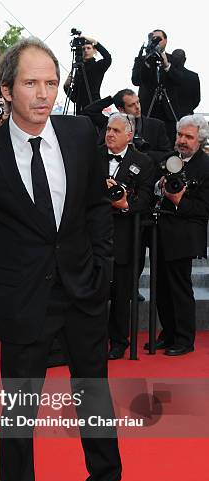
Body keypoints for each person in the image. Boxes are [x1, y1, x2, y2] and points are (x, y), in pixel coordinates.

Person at [0, 38, 151, 481]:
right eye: (30, 83)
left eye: (50, 82)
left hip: (84, 290)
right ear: (6, 89)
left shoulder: (80, 133)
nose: (44, 95)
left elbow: (94, 206)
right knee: (19, 415)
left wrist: (101, 270)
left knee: (95, 396)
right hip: (25, 301)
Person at [152, 114, 209, 356]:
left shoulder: (206, 166)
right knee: (161, 288)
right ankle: (168, 334)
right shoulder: (169, 159)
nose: (182, 141)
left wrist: (179, 201)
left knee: (179, 288)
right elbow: (154, 190)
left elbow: (204, 209)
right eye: (180, 135)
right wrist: (159, 186)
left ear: (200, 140)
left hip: (185, 235)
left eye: (188, 137)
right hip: (160, 233)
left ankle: (184, 340)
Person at [99, 113, 154, 359]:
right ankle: (91, 340)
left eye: (116, 130)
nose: (109, 134)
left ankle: (119, 341)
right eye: (108, 129)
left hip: (127, 238)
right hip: (95, 236)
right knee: (93, 292)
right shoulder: (94, 156)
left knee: (122, 295)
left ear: (129, 136)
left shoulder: (143, 161)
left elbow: (145, 198)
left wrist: (124, 204)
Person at [83, 88, 172, 164]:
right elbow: (90, 111)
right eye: (131, 105)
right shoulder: (111, 124)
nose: (137, 107)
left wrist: (141, 154)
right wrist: (112, 99)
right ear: (121, 109)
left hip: (145, 174)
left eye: (138, 102)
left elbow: (167, 154)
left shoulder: (156, 125)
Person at [132, 29, 182, 144]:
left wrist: (167, 65)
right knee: (146, 142)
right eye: (153, 39)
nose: (156, 42)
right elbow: (136, 81)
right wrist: (147, 64)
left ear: (166, 41)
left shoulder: (173, 60)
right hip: (148, 108)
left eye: (159, 39)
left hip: (168, 111)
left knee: (168, 143)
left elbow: (179, 80)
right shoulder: (142, 59)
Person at [63, 35, 111, 114]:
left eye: (88, 48)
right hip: (80, 110)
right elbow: (74, 98)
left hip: (94, 107)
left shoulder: (98, 66)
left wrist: (95, 42)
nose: (86, 50)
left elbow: (108, 58)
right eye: (83, 49)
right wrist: (66, 87)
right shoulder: (78, 70)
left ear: (94, 51)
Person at [171, 49, 201, 117]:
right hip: (187, 115)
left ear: (171, 59)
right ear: (185, 59)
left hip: (169, 116)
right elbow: (197, 99)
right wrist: (188, 109)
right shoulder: (193, 76)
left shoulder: (166, 76)